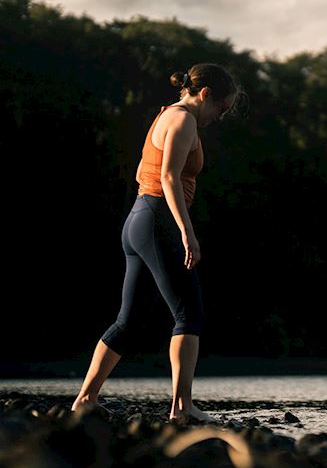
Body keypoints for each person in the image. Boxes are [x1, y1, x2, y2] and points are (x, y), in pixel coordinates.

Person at [72, 64, 242, 422]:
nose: (219, 117)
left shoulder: (165, 115)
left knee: (129, 320)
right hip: (157, 220)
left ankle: (85, 399)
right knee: (189, 313)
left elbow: (141, 173)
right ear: (206, 94)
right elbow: (168, 177)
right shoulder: (184, 121)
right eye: (221, 109)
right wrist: (186, 231)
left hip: (139, 217)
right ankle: (181, 408)